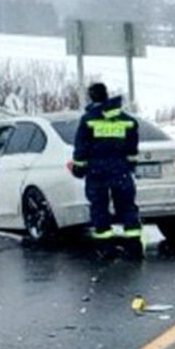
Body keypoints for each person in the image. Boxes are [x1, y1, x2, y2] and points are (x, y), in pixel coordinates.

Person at [71, 83, 143, 258]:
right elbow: (132, 149)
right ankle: (134, 246)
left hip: (97, 172)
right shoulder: (127, 121)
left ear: (92, 97)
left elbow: (81, 148)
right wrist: (129, 165)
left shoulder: (88, 120)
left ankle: (106, 247)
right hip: (120, 171)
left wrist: (78, 167)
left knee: (99, 208)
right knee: (127, 206)